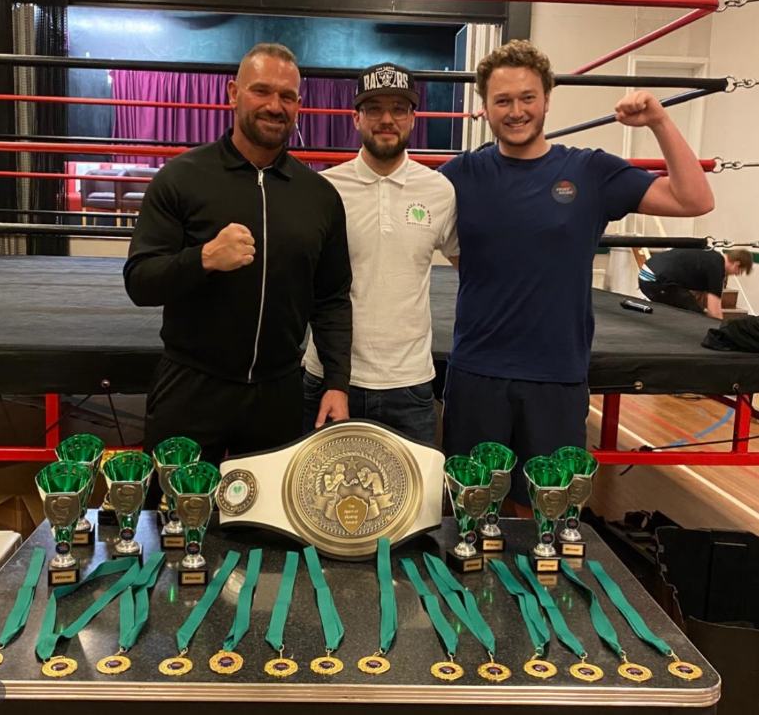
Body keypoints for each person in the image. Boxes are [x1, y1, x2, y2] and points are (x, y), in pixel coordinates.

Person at [439, 39, 715, 513]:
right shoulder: (461, 174)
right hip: (477, 372)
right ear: (485, 108)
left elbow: (695, 200)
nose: (516, 111)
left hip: (557, 374)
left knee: (545, 515)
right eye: (503, 100)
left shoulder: (589, 171)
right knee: (471, 511)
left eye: (527, 97)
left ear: (547, 98)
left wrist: (660, 122)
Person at [124, 43, 352, 466]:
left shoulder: (319, 196)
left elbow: (332, 298)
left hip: (278, 391)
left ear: (298, 105)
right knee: (176, 507)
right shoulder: (181, 178)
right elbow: (140, 281)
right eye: (261, 91)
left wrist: (337, 381)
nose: (274, 106)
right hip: (192, 386)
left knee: (267, 510)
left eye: (287, 96)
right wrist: (203, 258)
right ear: (233, 93)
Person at [301, 62, 458, 444]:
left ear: (413, 118)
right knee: (317, 484)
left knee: (414, 486)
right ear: (356, 118)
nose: (387, 119)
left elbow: (472, 268)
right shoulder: (324, 189)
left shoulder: (439, 190)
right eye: (374, 109)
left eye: (399, 109)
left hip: (409, 383)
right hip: (330, 379)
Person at [639, 248, 752, 319]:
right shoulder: (717, 269)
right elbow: (714, 311)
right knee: (696, 316)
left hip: (648, 273)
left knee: (689, 307)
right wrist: (721, 332)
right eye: (740, 271)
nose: (737, 274)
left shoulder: (712, 255)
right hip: (654, 280)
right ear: (736, 264)